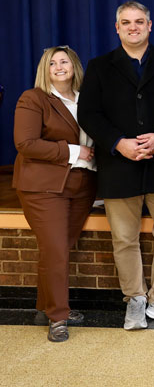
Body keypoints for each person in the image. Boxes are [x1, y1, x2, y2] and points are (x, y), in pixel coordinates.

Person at [77, 0, 154, 330]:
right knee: (124, 238)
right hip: (118, 166)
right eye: (126, 22)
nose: (133, 27)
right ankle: (135, 299)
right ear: (117, 28)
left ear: (150, 26)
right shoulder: (99, 66)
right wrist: (118, 143)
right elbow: (89, 114)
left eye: (139, 21)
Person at [12, 46, 96, 342]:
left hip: (81, 186)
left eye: (64, 61)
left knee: (59, 248)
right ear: (44, 70)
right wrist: (75, 151)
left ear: (74, 65)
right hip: (43, 187)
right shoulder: (34, 98)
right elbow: (26, 144)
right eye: (52, 63)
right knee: (57, 250)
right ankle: (58, 316)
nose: (59, 67)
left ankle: (43, 307)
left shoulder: (87, 99)